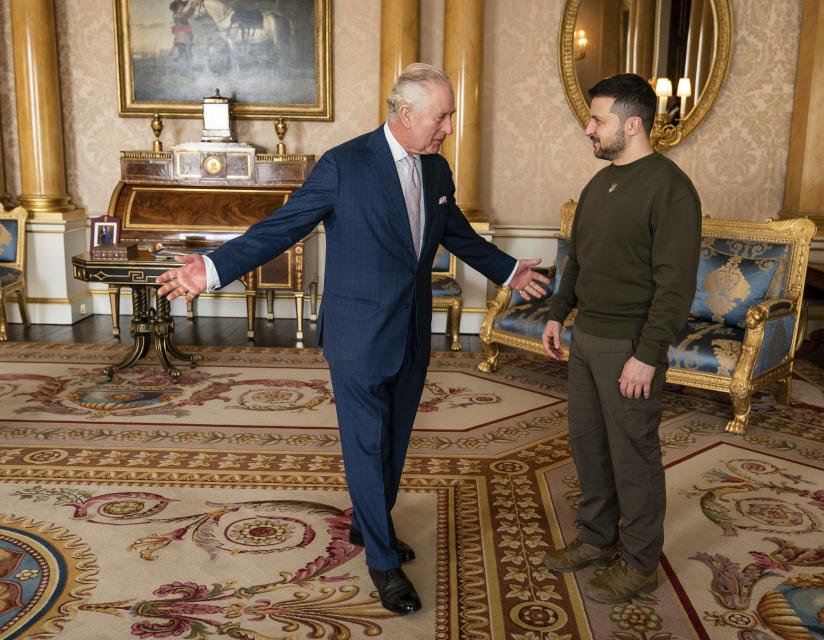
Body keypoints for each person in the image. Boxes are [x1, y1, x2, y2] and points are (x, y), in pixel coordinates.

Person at [156, 63, 550, 615]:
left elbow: (454, 231)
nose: (449, 128)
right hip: (359, 332)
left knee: (394, 439)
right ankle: (382, 563)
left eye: (450, 115)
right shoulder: (344, 164)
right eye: (442, 116)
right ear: (406, 114)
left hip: (413, 326)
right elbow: (282, 227)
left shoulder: (436, 170)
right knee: (366, 444)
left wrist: (509, 271)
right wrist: (214, 269)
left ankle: (372, 526)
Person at [540, 73, 701, 604]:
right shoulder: (598, 183)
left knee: (633, 456)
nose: (588, 129)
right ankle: (595, 538)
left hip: (628, 345)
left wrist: (647, 356)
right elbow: (578, 260)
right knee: (590, 449)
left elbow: (675, 288)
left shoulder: (670, 189)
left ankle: (638, 563)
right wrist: (558, 314)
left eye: (598, 120)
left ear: (633, 125)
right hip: (586, 339)